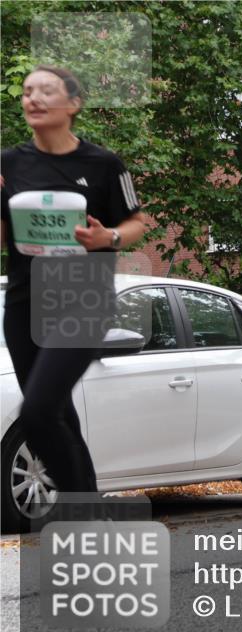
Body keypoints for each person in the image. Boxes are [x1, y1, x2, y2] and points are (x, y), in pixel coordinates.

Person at [0, 65, 147, 507]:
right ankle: (92, 517)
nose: (34, 99)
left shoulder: (102, 164)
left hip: (82, 296)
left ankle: (80, 509)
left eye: (46, 91)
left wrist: (109, 238)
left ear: (73, 103)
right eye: (27, 92)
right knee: (59, 413)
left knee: (39, 412)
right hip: (25, 302)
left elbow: (137, 221)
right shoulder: (8, 163)